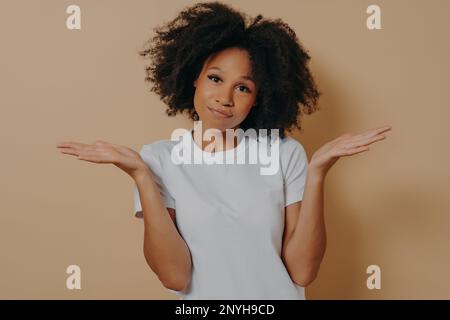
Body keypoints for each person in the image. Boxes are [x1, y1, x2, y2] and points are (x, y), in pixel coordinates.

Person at [56, 1, 392, 300]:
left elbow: (302, 273)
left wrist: (318, 172)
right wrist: (142, 176)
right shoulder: (158, 159)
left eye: (242, 87)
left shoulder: (284, 153)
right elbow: (175, 276)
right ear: (194, 78)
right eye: (215, 78)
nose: (225, 97)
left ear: (258, 97)